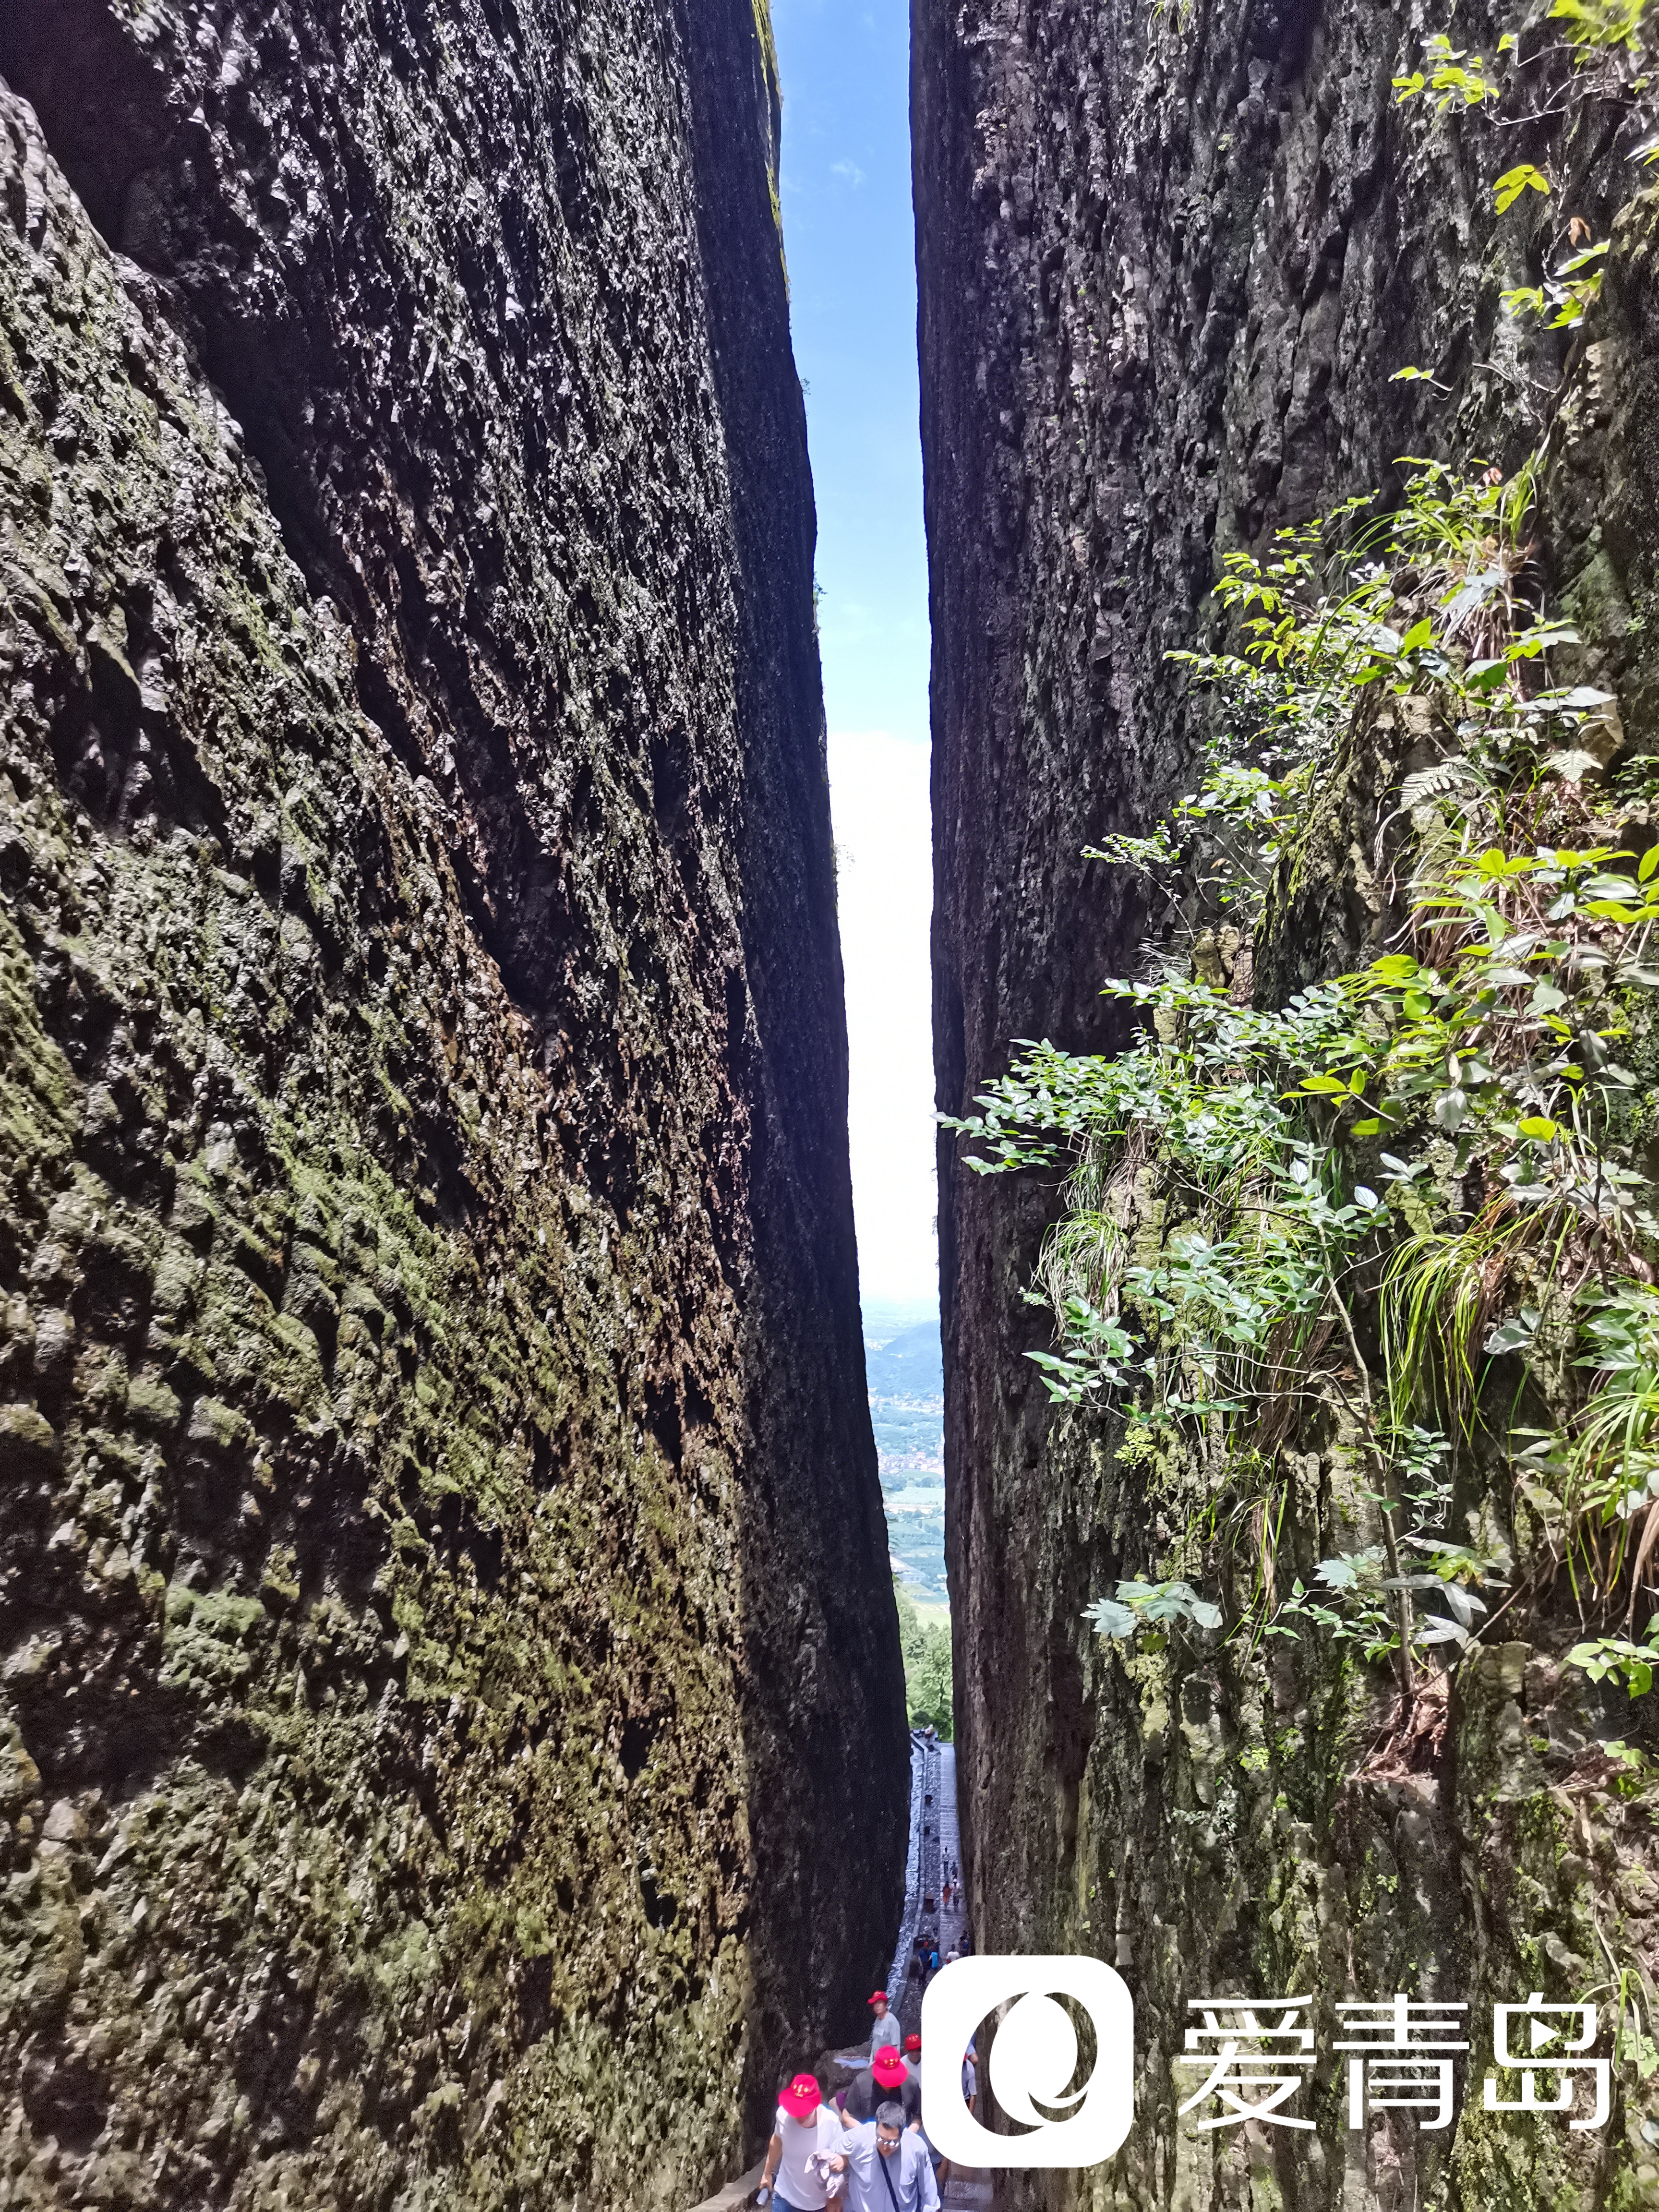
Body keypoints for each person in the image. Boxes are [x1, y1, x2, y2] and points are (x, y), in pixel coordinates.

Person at [757, 2072, 847, 2211]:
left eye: (804, 2111)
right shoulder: (783, 2115)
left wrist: (842, 2161)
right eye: (796, 2110)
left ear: (816, 2105)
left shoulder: (831, 2123)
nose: (800, 2115)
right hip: (785, 2198)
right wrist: (767, 2173)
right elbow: (777, 2140)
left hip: (818, 2204)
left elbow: (845, 2154)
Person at [835, 2104, 940, 2212]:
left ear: (902, 2135)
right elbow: (829, 2156)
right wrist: (842, 2160)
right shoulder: (858, 2138)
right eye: (881, 2139)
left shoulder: (917, 2149)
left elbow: (929, 2195)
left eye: (892, 2142)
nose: (885, 2147)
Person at [840, 2041, 921, 2128]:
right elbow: (847, 2116)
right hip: (868, 2135)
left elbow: (918, 2117)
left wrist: (908, 2134)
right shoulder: (861, 2082)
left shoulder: (911, 2084)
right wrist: (866, 2132)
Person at [867, 1989, 900, 2061]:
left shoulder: (892, 2021)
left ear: (886, 2005)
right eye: (875, 2004)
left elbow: (896, 2046)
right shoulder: (878, 2019)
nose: (877, 2006)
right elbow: (876, 2042)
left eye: (879, 2003)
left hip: (887, 2063)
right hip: (876, 2062)